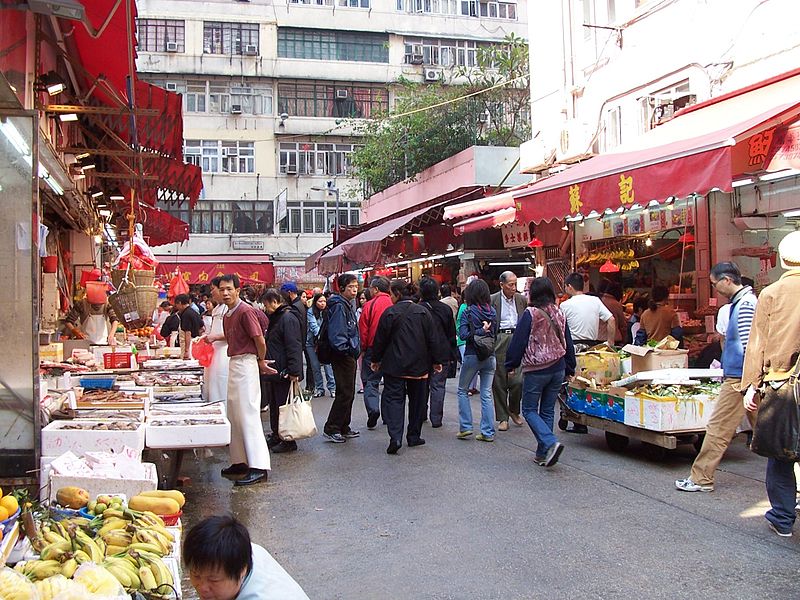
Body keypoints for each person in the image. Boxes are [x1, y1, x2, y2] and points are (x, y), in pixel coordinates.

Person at [675, 262, 757, 493]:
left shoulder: (746, 305)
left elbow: (750, 344)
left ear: (727, 280)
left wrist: (749, 381)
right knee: (771, 435)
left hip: (740, 378)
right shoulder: (740, 304)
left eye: (714, 284)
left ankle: (701, 478)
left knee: (718, 428)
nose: (715, 289)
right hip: (742, 377)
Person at [741, 231, 800, 537]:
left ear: (781, 259)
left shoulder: (772, 293)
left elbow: (757, 344)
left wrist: (750, 386)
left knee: (781, 456)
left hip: (782, 387)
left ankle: (783, 518)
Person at [505, 277, 576, 467]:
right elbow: (567, 341)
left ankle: (551, 442)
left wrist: (510, 365)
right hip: (558, 368)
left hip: (537, 370)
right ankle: (543, 453)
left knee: (528, 410)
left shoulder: (530, 313)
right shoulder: (560, 312)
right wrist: (570, 367)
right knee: (546, 410)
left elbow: (518, 341)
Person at [371, 280, 447, 454]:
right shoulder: (423, 312)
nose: (390, 297)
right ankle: (413, 436)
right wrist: (437, 361)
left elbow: (380, 340)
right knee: (417, 401)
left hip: (394, 366)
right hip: (419, 366)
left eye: (391, 294)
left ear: (398, 294)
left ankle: (395, 437)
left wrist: (376, 359)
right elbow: (433, 339)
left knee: (395, 400)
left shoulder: (390, 313)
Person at [219, 274, 275, 486]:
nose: (225, 293)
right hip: (234, 362)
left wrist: (260, 360)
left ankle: (259, 466)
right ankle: (240, 461)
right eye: (222, 289)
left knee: (248, 413)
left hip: (246, 363)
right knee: (234, 413)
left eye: (229, 289)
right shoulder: (228, 313)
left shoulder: (246, 311)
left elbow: (259, 339)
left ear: (237, 290)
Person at [184, 515, 309, 600]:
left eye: (214, 580)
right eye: (196, 575)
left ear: (241, 571)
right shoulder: (244, 550)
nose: (202, 587)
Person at [262, 289, 304, 454]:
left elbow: (294, 345)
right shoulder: (278, 317)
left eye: (267, 305)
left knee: (284, 406)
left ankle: (288, 439)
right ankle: (277, 434)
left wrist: (294, 370)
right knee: (275, 404)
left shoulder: (288, 318)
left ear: (274, 301)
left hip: (285, 370)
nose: (266, 309)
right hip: (275, 370)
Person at [456, 278, 498, 442]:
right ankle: (487, 432)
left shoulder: (467, 311)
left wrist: (479, 330)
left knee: (462, 390)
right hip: (490, 355)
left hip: (473, 354)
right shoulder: (492, 312)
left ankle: (466, 427)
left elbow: (464, 335)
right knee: (486, 393)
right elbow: (494, 333)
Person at [322, 273, 361, 444]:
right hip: (342, 355)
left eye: (356, 287)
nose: (354, 290)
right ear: (342, 288)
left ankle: (344, 426)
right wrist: (346, 350)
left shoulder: (346, 304)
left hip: (347, 353)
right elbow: (337, 334)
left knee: (348, 392)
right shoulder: (339, 306)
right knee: (345, 392)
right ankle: (332, 428)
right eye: (351, 287)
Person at [490, 271, 528, 431]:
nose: (514, 288)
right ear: (501, 285)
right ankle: (502, 417)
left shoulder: (521, 299)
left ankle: (514, 409)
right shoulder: (493, 300)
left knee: (518, 381)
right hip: (500, 338)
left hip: (517, 338)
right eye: (510, 285)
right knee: (499, 380)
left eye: (515, 284)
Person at [419, 277, 458, 428]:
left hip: (422, 353)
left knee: (422, 385)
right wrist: (452, 353)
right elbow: (451, 333)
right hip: (442, 353)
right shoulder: (445, 309)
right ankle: (436, 418)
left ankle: (421, 414)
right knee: (438, 385)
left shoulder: (418, 309)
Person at [358, 276, 393, 429]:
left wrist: (363, 349)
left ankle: (373, 409)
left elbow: (363, 331)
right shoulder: (394, 303)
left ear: (376, 289)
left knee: (371, 381)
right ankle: (388, 416)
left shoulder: (369, 306)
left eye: (371, 288)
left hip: (372, 348)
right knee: (391, 383)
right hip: (392, 349)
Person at [559, 272, 615, 348]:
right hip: (591, 347)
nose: (565, 289)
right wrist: (610, 342)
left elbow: (560, 328)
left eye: (565, 286)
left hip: (573, 347)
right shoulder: (595, 300)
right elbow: (611, 319)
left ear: (569, 286)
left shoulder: (564, 305)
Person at [202, 278, 230, 404]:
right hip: (213, 352)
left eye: (213, 289)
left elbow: (233, 333)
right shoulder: (216, 309)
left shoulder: (228, 309)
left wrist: (215, 337)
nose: (211, 292)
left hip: (224, 354)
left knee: (221, 384)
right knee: (211, 383)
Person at [306, 293, 336, 398]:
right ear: (315, 302)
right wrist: (321, 336)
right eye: (320, 301)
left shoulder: (329, 311)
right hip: (312, 343)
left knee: (328, 366)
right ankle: (319, 388)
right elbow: (313, 326)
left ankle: (332, 388)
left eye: (324, 301)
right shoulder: (310, 312)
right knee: (315, 366)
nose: (322, 303)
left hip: (325, 343)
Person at [174, 293, 206, 360]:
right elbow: (202, 328)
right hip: (195, 343)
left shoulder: (185, 314)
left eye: (176, 305)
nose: (176, 307)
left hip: (189, 344)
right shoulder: (193, 312)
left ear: (179, 303)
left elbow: (187, 333)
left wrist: (187, 350)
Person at [355, 289, 371, 394]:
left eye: (363, 298)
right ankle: (363, 386)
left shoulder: (370, 309)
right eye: (360, 298)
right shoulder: (357, 311)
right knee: (361, 365)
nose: (362, 300)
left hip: (368, 342)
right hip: (360, 341)